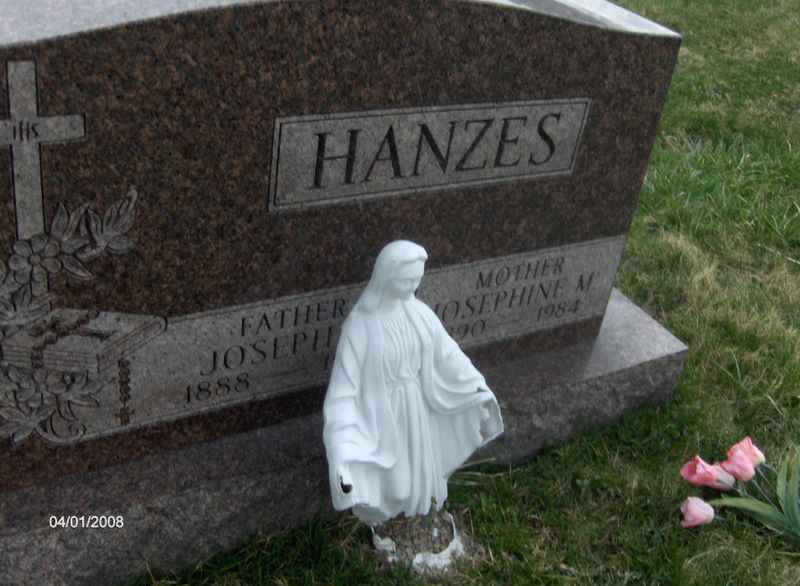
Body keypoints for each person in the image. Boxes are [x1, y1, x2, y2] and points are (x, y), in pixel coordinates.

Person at [322, 240, 503, 526]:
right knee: (396, 484)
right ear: (386, 276)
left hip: (418, 409)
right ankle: (391, 520)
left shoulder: (419, 314)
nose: (412, 287)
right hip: (384, 417)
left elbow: (448, 354)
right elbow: (343, 393)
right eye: (406, 281)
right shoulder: (360, 327)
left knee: (421, 473)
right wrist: (341, 448)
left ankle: (418, 517)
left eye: (417, 280)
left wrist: (475, 387)